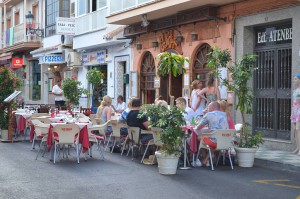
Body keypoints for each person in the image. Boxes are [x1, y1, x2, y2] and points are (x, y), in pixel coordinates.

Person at [195, 101, 229, 166]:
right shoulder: (224, 114)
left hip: (215, 142)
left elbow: (198, 127)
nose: (208, 108)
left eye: (209, 107)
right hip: (225, 141)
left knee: (199, 137)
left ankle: (206, 158)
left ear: (212, 107)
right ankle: (208, 158)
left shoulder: (209, 115)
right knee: (213, 137)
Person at [291, 74, 300, 155]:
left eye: (296, 79)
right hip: (294, 110)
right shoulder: (295, 90)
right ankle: (297, 147)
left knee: (298, 129)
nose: (294, 80)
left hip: (299, 111)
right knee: (295, 130)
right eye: (294, 79)